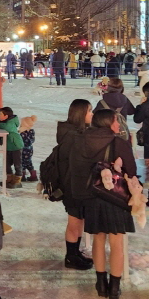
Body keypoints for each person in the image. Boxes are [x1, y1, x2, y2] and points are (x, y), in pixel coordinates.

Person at [70, 109, 137, 299]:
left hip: (92, 196)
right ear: (108, 123)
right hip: (115, 198)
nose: (118, 125)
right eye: (116, 121)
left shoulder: (80, 140)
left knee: (98, 240)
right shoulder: (118, 142)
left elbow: (76, 169)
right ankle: (114, 288)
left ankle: (101, 284)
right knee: (116, 242)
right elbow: (130, 170)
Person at [57, 99, 94, 270]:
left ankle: (75, 252)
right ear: (81, 114)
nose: (92, 114)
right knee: (74, 221)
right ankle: (71, 257)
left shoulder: (74, 132)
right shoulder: (73, 136)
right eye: (89, 111)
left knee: (78, 220)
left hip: (76, 184)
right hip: (73, 185)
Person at [0, 107, 25, 189]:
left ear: (6, 116)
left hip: (16, 145)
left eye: (0, 114)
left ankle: (17, 179)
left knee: (17, 163)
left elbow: (7, 127)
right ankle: (9, 177)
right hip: (8, 146)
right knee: (7, 163)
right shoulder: (6, 122)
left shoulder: (11, 122)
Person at [19, 114, 37, 182]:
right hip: (30, 149)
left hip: (23, 149)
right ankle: (33, 175)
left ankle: (22, 175)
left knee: (22, 162)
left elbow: (22, 142)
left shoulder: (22, 132)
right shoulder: (32, 131)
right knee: (29, 162)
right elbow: (32, 140)